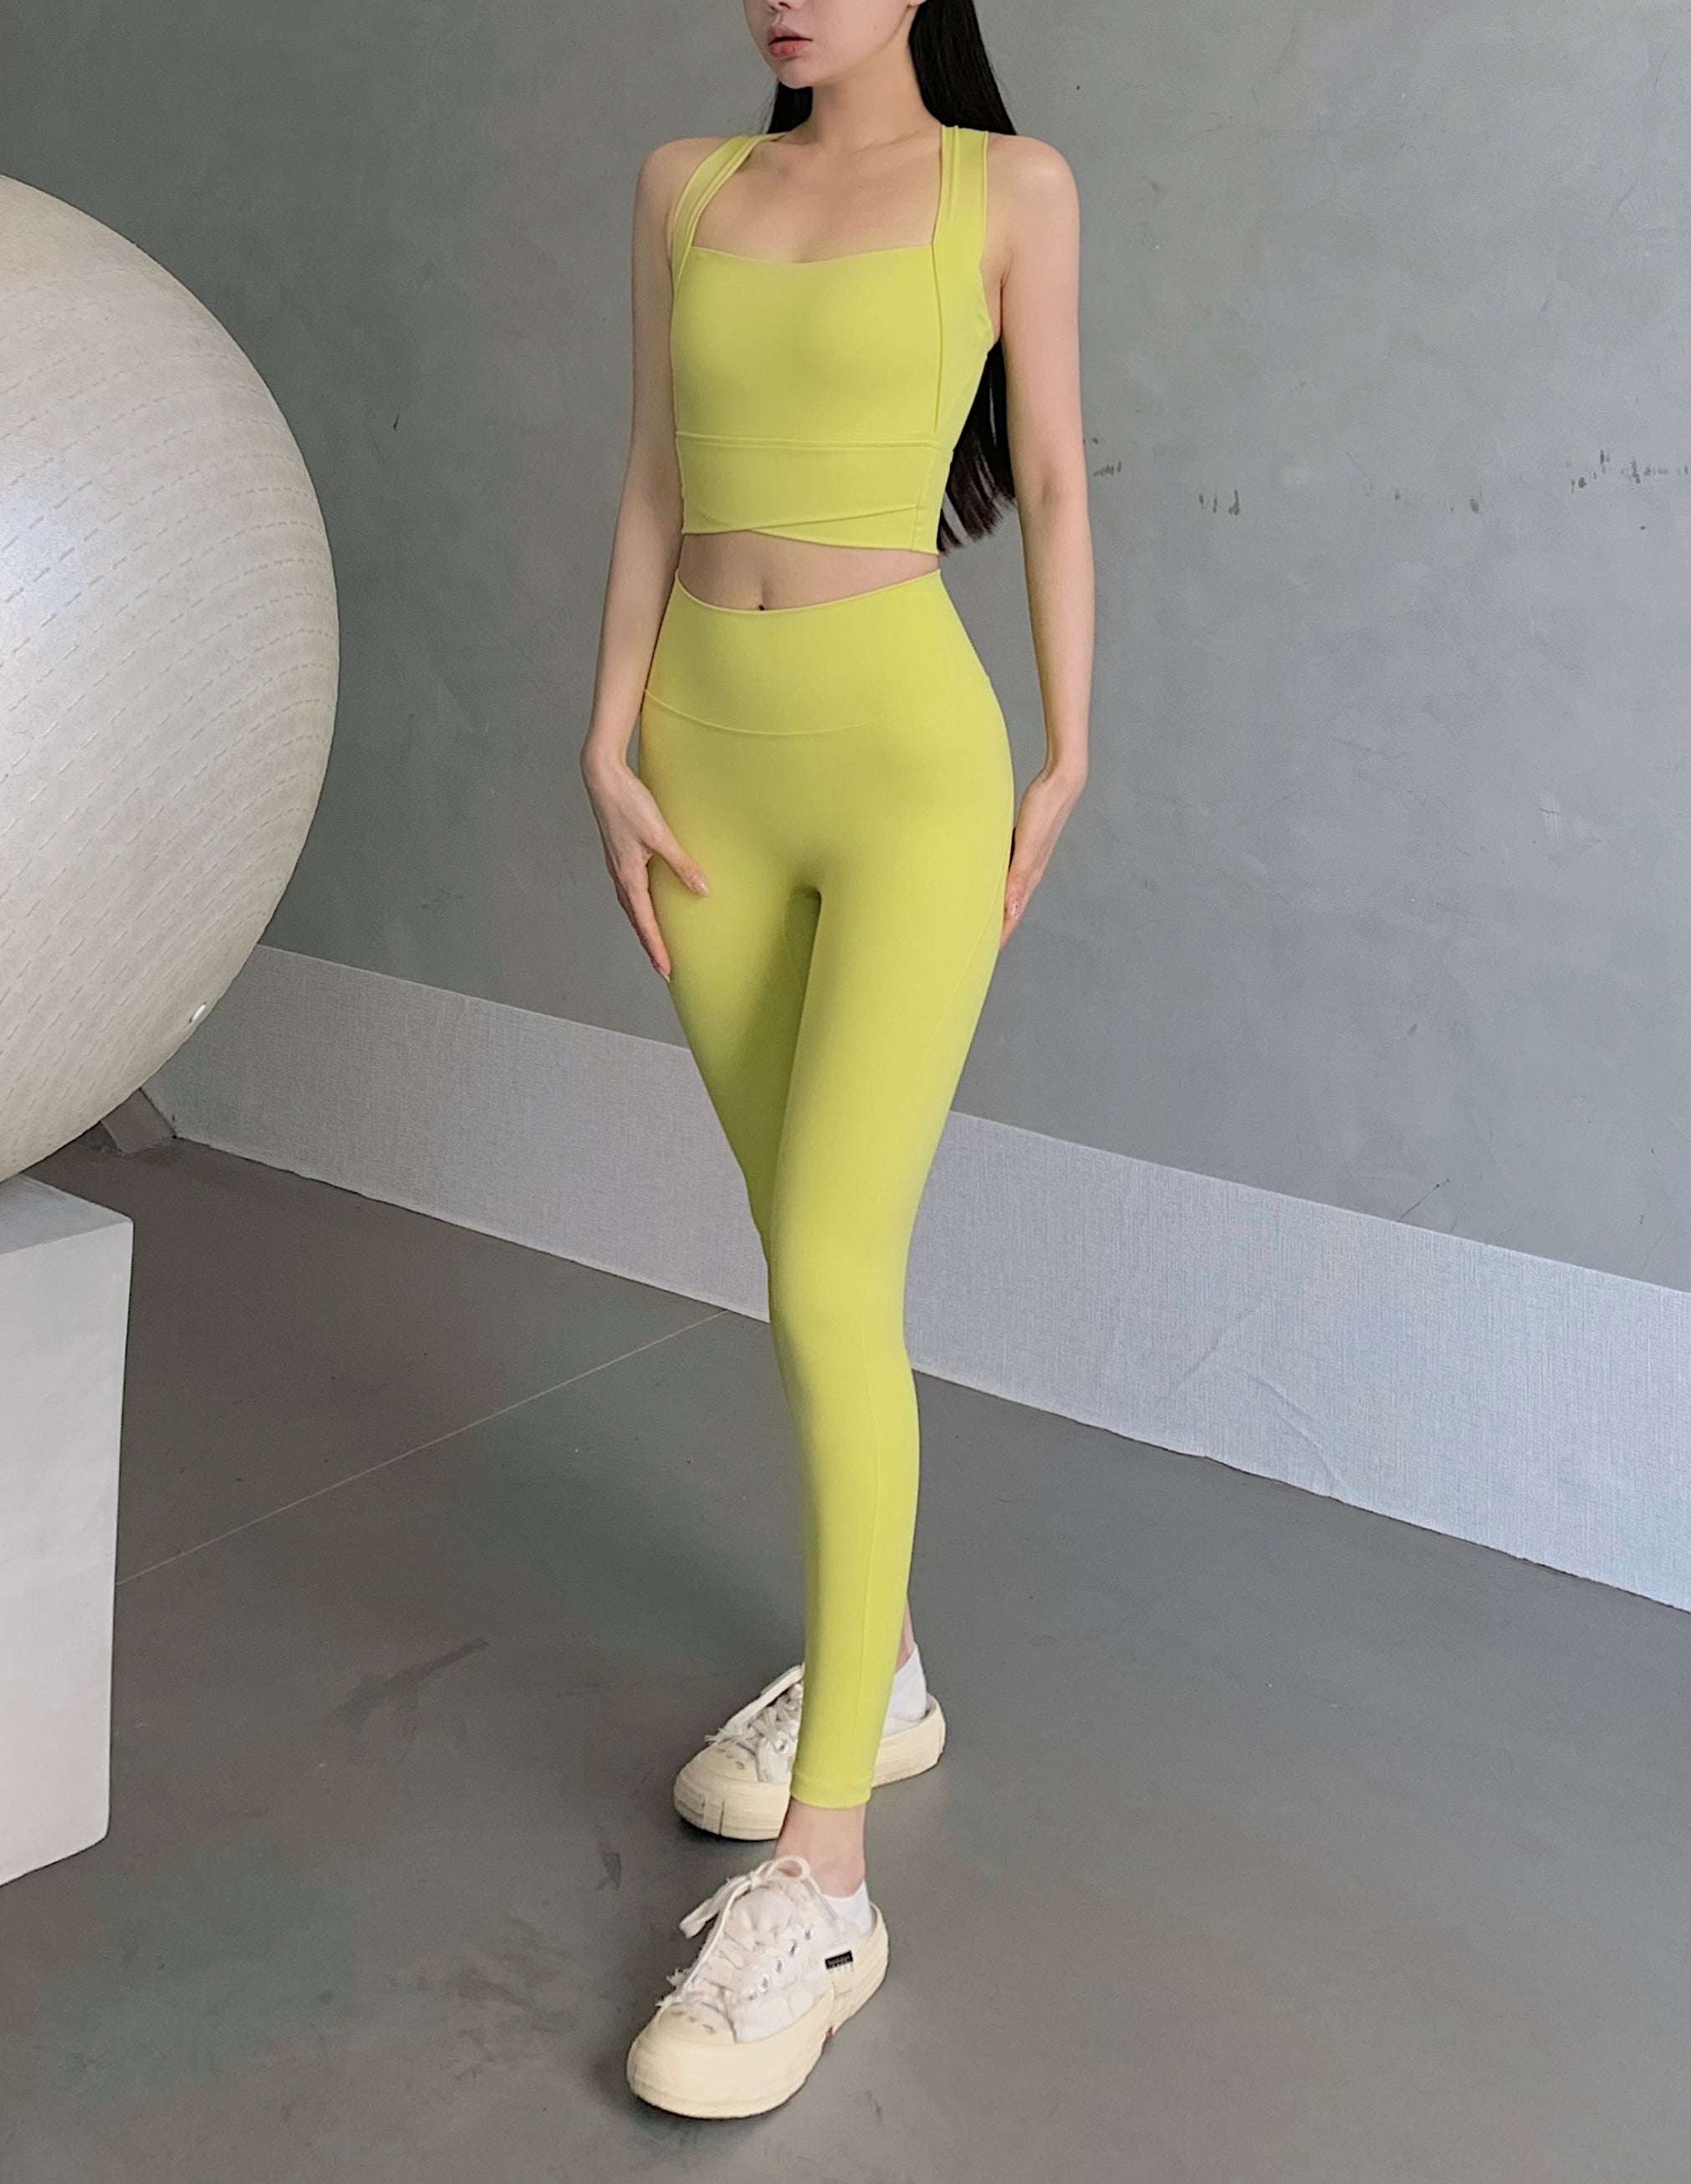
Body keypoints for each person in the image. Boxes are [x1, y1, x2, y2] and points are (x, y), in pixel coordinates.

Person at [579, 0, 1091, 2119]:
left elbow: (1050, 474)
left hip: (903, 767)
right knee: (791, 1242)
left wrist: (1071, 750)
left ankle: (828, 1883)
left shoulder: (1009, 189)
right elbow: (656, 469)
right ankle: (872, 1669)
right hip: (701, 761)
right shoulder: (683, 185)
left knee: (828, 1273)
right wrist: (601, 733)